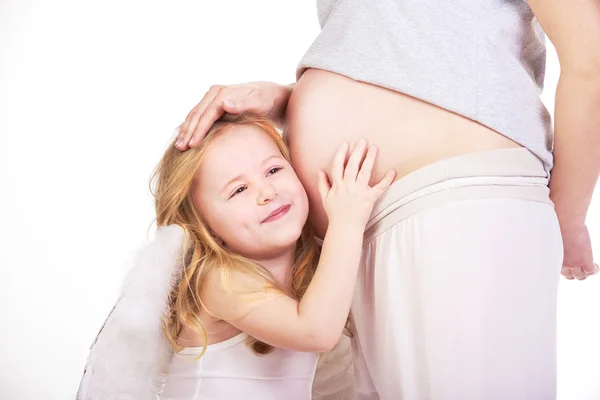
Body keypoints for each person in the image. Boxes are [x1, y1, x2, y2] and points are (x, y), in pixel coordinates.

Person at [176, 1, 600, 399]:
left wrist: (568, 214)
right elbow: (405, 53)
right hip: (348, 247)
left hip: (453, 202)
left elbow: (590, 52)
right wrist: (289, 97)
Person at [76, 113, 393, 400]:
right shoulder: (221, 280)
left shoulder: (308, 274)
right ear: (205, 225)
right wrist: (347, 220)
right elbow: (316, 331)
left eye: (273, 169)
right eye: (238, 190)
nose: (266, 192)